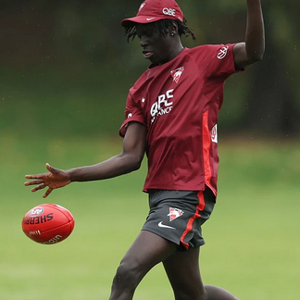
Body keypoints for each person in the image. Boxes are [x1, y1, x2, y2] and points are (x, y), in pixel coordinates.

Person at [24, 0, 265, 299]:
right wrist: (72, 175)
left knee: (128, 270)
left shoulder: (204, 62)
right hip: (160, 196)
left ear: (172, 27)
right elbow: (130, 157)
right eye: (139, 33)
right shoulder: (140, 90)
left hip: (189, 192)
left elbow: (254, 52)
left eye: (150, 31)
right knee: (192, 294)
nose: (143, 40)